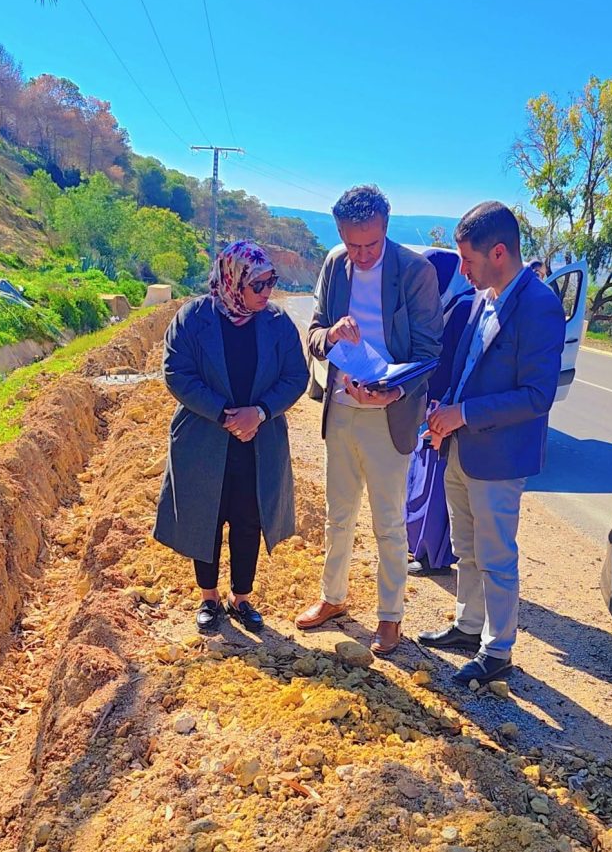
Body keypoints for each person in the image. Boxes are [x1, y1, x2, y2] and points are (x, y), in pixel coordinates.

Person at [418, 202, 565, 685]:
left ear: (499, 252)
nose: (462, 271)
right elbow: (466, 370)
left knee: (496, 556)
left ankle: (498, 650)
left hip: (499, 457)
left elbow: (537, 395)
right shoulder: (484, 297)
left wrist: (463, 414)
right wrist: (444, 413)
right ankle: (469, 626)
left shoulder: (539, 305)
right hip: (461, 447)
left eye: (469, 260)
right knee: (466, 546)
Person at [295, 185, 443, 655]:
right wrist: (330, 334)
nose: (360, 255)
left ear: (386, 228)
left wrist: (392, 392)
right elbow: (314, 332)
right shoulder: (334, 263)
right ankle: (332, 597)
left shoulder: (415, 271)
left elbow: (429, 352)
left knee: (388, 523)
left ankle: (390, 616)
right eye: (352, 244)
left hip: (389, 415)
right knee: (338, 515)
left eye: (371, 245)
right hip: (342, 408)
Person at [153, 240, 309, 633]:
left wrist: (259, 412)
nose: (266, 291)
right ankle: (208, 598)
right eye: (257, 284)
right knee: (205, 515)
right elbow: (177, 373)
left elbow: (296, 376)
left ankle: (242, 598)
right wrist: (224, 413)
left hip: (258, 441)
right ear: (232, 281)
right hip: (205, 439)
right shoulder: (192, 319)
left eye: (271, 281)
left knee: (248, 518)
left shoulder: (277, 323)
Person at [406, 248, 475, 577]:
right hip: (430, 406)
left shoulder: (464, 308)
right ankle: (420, 547)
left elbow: (452, 367)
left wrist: (438, 406)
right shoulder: (444, 307)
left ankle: (434, 557)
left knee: (435, 489)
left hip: (443, 412)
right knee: (421, 481)